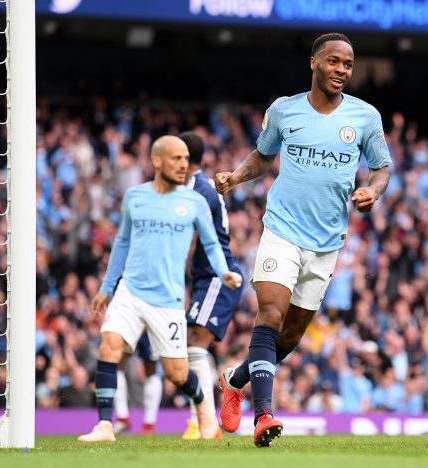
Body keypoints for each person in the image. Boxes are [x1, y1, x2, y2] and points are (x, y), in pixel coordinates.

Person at [214, 32, 391, 447]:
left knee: (289, 338)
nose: (341, 71)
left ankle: (235, 380)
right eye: (334, 62)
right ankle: (263, 416)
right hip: (282, 230)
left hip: (327, 242)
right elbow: (262, 156)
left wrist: (373, 191)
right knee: (270, 316)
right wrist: (237, 176)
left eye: (348, 65)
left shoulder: (365, 117)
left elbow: (382, 168)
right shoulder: (284, 110)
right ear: (314, 63)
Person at [78, 136, 242, 442]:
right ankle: (104, 425)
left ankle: (205, 410)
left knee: (177, 373)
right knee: (109, 345)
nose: (183, 165)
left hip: (167, 299)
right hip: (130, 289)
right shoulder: (135, 197)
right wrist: (107, 287)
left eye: (185, 158)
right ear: (157, 161)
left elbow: (211, 242)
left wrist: (224, 272)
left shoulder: (194, 201)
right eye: (176, 158)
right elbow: (122, 242)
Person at [179, 131, 244, 440]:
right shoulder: (198, 188)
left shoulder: (197, 191)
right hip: (208, 278)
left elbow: (190, 240)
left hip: (218, 277)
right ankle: (205, 424)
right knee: (194, 346)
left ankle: (200, 423)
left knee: (194, 344)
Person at [112, 334, 162, 435]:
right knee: (116, 362)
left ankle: (149, 424)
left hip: (148, 324)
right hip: (127, 321)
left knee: (151, 369)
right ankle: (122, 418)